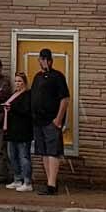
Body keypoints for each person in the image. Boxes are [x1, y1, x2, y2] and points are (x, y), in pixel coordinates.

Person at [29, 49, 71, 195]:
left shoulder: (57, 76)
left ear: (50, 60)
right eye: (41, 59)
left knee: (53, 151)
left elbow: (65, 99)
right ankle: (49, 182)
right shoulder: (37, 77)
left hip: (51, 120)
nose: (44, 61)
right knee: (44, 152)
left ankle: (52, 184)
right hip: (38, 121)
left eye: (46, 59)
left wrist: (58, 120)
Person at [2, 72, 34, 192]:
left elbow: (26, 110)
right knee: (12, 156)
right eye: (16, 81)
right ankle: (17, 179)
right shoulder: (14, 94)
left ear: (25, 82)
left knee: (24, 156)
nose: (17, 83)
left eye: (20, 81)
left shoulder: (27, 95)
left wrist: (13, 108)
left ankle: (27, 181)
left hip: (23, 131)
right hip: (12, 130)